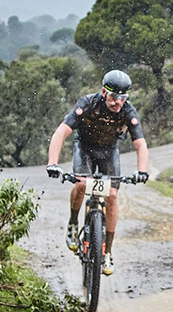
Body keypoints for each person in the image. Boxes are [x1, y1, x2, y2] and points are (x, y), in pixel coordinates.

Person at [46, 70, 149, 276]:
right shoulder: (87, 104)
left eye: (122, 98)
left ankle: (107, 252)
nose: (117, 102)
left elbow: (140, 144)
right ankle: (74, 224)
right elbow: (61, 133)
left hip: (108, 152)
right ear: (104, 92)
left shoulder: (128, 112)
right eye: (113, 97)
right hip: (84, 148)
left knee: (111, 195)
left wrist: (142, 171)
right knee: (82, 183)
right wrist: (52, 163)